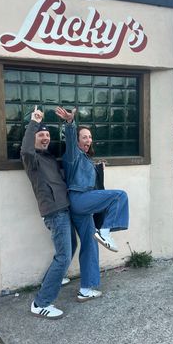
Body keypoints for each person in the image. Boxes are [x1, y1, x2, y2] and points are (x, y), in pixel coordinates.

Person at [55, 106, 129, 302]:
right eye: (84, 137)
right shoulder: (72, 155)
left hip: (83, 208)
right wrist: (70, 123)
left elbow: (91, 176)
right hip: (79, 199)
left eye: (90, 137)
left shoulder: (86, 159)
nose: (88, 140)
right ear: (77, 141)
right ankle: (105, 231)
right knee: (119, 196)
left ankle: (86, 289)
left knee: (90, 245)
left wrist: (98, 166)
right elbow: (70, 141)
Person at [21, 106, 75, 319]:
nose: (45, 138)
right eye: (40, 135)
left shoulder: (49, 158)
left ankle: (55, 277)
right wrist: (34, 121)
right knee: (63, 257)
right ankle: (41, 303)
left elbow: (70, 152)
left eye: (47, 135)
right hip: (55, 212)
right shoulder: (31, 159)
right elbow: (25, 149)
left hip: (64, 209)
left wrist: (70, 124)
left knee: (71, 248)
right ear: (33, 137)